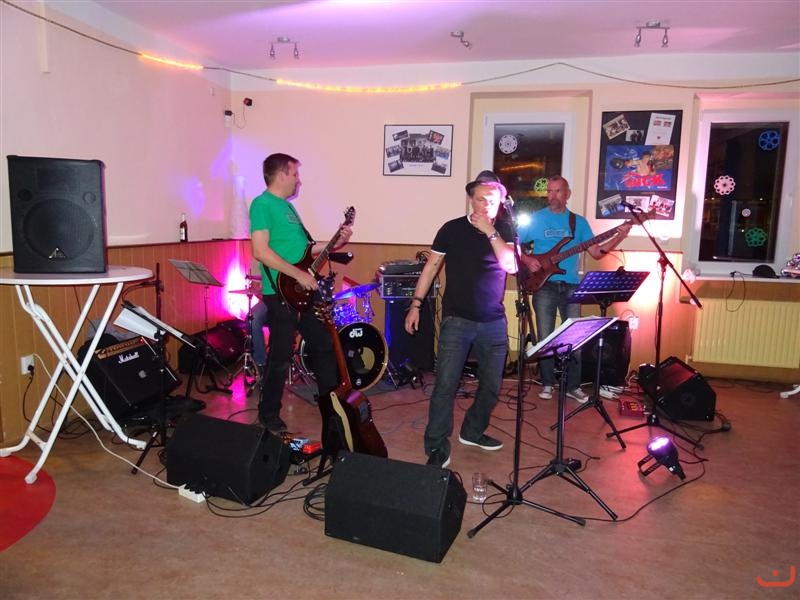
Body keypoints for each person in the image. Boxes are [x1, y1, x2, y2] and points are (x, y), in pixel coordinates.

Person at [405, 177, 517, 468]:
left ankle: (472, 431)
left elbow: (511, 265)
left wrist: (491, 232)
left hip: (493, 320)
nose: (487, 205)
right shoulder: (452, 229)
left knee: (491, 385)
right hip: (457, 319)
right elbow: (431, 267)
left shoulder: (505, 229)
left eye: (493, 201)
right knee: (445, 385)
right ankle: (436, 445)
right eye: (481, 199)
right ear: (471, 200)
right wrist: (415, 304)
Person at [250, 153, 352, 434]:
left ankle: (332, 407)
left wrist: (335, 241)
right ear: (281, 174)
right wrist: (298, 275)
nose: (298, 180)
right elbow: (260, 251)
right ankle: (268, 414)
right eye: (295, 174)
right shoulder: (262, 204)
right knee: (281, 354)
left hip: (304, 288)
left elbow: (305, 250)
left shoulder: (288, 208)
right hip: (282, 291)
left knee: (323, 344)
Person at [518, 175, 631, 402]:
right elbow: (513, 245)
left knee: (575, 338)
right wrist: (528, 260)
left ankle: (573, 386)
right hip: (543, 285)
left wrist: (619, 237)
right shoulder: (536, 219)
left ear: (567, 194)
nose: (552, 196)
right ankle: (548, 383)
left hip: (571, 286)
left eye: (557, 191)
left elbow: (596, 253)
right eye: (549, 191)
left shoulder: (578, 222)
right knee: (545, 337)